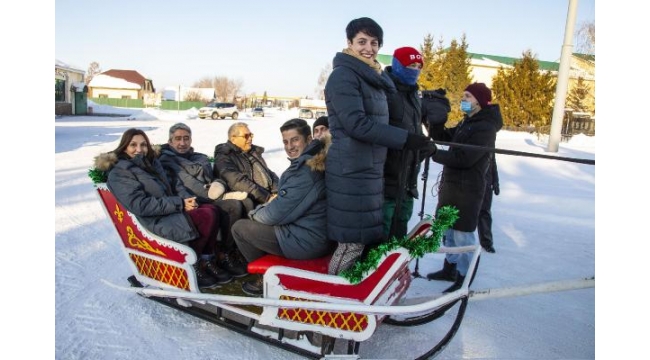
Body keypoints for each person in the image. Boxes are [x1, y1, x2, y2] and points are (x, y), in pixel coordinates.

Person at [324, 17, 435, 274]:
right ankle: (332, 297)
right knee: (352, 242)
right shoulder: (343, 76)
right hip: (351, 170)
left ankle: (353, 294)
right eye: (361, 41)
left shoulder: (372, 78)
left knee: (364, 241)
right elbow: (357, 124)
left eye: (374, 42)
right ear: (349, 43)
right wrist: (406, 139)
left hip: (370, 169)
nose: (369, 48)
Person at [93, 128, 232, 289]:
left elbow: (172, 185)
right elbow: (140, 205)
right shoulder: (120, 172)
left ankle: (206, 260)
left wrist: (187, 200)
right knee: (206, 215)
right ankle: (192, 264)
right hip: (153, 219)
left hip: (168, 210)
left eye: (143, 145)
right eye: (133, 145)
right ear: (124, 147)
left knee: (212, 210)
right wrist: (179, 204)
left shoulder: (151, 163)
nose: (139, 149)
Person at [232, 118, 331, 296]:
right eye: (285, 141)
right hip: (312, 232)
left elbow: (277, 214)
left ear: (308, 140)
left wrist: (254, 214)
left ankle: (268, 277)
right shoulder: (311, 161)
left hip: (306, 240)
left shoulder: (306, 171)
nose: (289, 146)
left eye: (295, 140)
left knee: (240, 228)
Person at [425, 83, 503, 293]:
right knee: (449, 232)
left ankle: (463, 278)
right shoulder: (468, 122)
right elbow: (443, 137)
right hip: (452, 186)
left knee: (463, 235)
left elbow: (465, 158)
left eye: (467, 96)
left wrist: (433, 153)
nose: (464, 100)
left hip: (468, 189)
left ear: (480, 101)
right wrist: (434, 118)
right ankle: (449, 269)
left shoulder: (485, 127)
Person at [158, 122, 249, 278]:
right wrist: (216, 195)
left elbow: (214, 178)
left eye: (186, 138)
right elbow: (185, 184)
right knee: (233, 205)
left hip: (211, 194)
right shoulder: (167, 161)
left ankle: (232, 250)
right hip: (193, 199)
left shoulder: (199, 158)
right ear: (170, 141)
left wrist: (218, 184)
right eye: (178, 139)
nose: (182, 143)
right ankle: (220, 254)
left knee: (247, 203)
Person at [382, 46, 435, 240]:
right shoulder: (385, 90)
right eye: (409, 65)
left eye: (418, 66)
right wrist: (407, 142)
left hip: (407, 181)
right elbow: (380, 132)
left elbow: (415, 132)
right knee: (381, 240)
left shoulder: (414, 95)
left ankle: (397, 271)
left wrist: (423, 147)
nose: (414, 69)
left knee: (399, 236)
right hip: (387, 180)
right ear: (397, 65)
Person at [213, 123, 280, 211]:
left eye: (251, 135)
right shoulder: (224, 156)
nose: (250, 138)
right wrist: (267, 197)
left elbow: (268, 172)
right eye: (246, 136)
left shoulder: (252, 152)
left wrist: (277, 191)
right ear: (233, 139)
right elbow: (237, 182)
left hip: (270, 196)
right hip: (255, 199)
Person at [478, 154, 500, 253]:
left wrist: (495, 181)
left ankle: (486, 242)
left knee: (484, 212)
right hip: (471, 180)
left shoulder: (489, 140)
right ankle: (449, 237)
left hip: (486, 182)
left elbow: (492, 161)